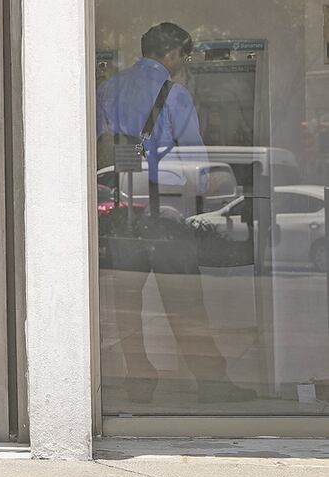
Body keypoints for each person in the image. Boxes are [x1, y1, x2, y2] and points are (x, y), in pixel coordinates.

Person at [96, 22, 255, 406]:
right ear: (171, 55)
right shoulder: (176, 95)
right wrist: (215, 186)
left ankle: (138, 378)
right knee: (185, 302)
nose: (183, 63)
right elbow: (195, 164)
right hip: (164, 213)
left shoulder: (109, 89)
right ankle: (211, 381)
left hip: (120, 212)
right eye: (183, 56)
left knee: (127, 305)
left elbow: (97, 147)